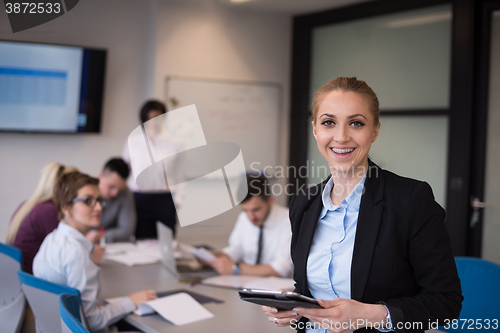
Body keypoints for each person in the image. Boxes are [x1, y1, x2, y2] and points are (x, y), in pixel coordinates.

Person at [262, 77, 462, 332]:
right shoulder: (304, 202)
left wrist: (371, 314)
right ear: (315, 130)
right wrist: (294, 305)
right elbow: (312, 292)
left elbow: (446, 302)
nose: (342, 136)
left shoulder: (411, 200)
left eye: (356, 123)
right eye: (328, 122)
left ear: (375, 130)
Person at [33, 172, 156, 332]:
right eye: (88, 201)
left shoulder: (51, 239)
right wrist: (131, 301)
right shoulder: (76, 252)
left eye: (98, 200)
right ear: (66, 207)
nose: (98, 207)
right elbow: (93, 321)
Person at [209, 175, 293, 277]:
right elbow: (236, 250)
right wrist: (214, 257)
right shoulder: (244, 217)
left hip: (278, 287)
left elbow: (281, 269)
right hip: (246, 283)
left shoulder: (289, 221)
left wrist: (235, 268)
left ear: (270, 200)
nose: (251, 217)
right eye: (245, 210)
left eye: (256, 210)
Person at [122, 100, 184, 239]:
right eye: (149, 118)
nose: (154, 122)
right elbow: (124, 171)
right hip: (139, 198)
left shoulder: (176, 142)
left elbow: (181, 175)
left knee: (167, 241)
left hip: (165, 199)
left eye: (157, 118)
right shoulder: (133, 141)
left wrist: (179, 200)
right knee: (141, 240)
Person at [7, 162, 78, 274]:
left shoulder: (26, 205)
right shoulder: (50, 212)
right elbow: (67, 255)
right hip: (34, 280)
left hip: (18, 277)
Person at [85, 158, 137, 244]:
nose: (115, 193)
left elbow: (127, 230)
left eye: (119, 190)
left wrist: (102, 236)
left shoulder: (125, 193)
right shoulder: (85, 192)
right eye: (111, 186)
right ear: (100, 177)